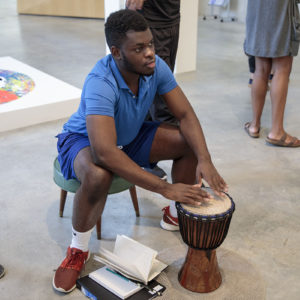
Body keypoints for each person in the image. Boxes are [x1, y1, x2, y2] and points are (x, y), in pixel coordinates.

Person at [52, 9, 228, 293]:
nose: (149, 53)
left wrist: (205, 160)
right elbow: (104, 153)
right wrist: (164, 187)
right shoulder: (100, 81)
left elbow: (185, 114)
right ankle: (77, 250)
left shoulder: (155, 67)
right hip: (84, 141)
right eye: (139, 48)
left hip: (128, 136)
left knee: (188, 141)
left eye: (151, 45)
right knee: (98, 175)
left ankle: (174, 213)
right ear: (116, 52)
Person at [126, 0, 180, 180]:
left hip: (170, 16)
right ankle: (187, 176)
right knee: (163, 104)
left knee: (155, 91)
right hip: (151, 18)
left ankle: (145, 160)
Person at [244, 0, 300, 146]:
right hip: (280, 8)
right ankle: (277, 131)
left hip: (257, 8)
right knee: (282, 68)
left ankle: (254, 125)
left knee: (260, 69)